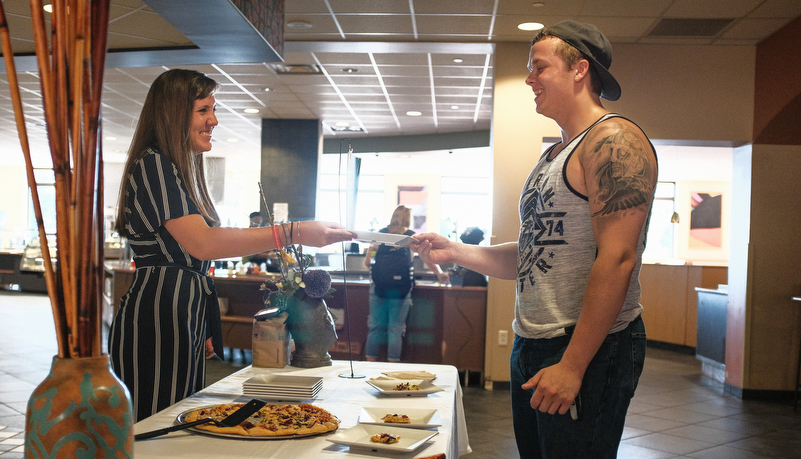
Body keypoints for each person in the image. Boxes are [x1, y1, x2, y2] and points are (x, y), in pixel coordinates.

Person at [413, 20, 658, 458]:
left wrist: (574, 364)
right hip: (534, 342)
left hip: (586, 348)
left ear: (579, 70)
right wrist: (455, 251)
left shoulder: (614, 140)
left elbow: (619, 259)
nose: (529, 79)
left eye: (539, 68)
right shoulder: (553, 155)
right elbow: (532, 255)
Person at [108, 69, 354, 421]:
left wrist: (200, 320)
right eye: (203, 110)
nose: (214, 120)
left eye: (213, 109)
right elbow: (204, 244)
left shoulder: (172, 168)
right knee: (155, 427)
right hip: (159, 314)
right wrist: (293, 232)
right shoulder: (154, 164)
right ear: (174, 114)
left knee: (173, 422)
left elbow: (197, 253)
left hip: (178, 310)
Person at [363, 205, 449, 362]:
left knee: (375, 327)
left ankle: (370, 366)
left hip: (378, 286)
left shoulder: (380, 235)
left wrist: (378, 262)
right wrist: (439, 273)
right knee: (395, 329)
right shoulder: (411, 238)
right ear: (408, 219)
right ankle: (392, 367)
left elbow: (369, 261)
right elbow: (427, 258)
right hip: (401, 288)